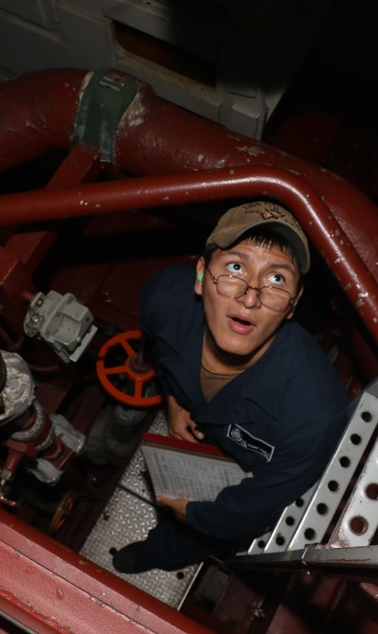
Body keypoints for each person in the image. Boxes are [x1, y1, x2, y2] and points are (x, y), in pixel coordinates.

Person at [111, 201, 349, 574]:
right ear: (202, 275)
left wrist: (188, 512)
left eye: (276, 280)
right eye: (236, 268)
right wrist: (173, 399)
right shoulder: (164, 298)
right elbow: (158, 346)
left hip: (240, 478)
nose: (250, 297)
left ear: (292, 305)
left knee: (198, 534)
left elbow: (249, 510)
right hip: (199, 426)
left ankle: (161, 552)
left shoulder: (314, 417)